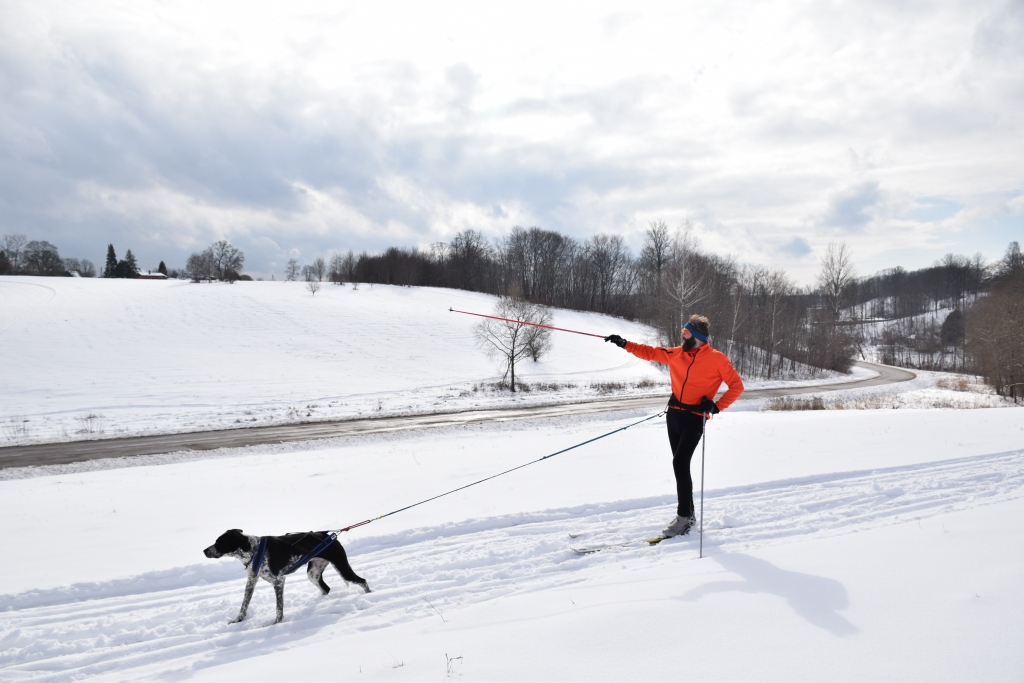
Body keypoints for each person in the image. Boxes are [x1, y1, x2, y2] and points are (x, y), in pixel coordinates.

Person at [605, 315, 743, 537]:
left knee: (680, 462)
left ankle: (683, 517)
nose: (682, 334)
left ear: (697, 337)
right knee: (681, 466)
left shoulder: (717, 359)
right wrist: (624, 343)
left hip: (695, 417)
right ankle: (689, 513)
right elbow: (650, 352)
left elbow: (737, 386)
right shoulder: (677, 353)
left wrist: (716, 407)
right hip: (674, 416)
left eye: (686, 332)